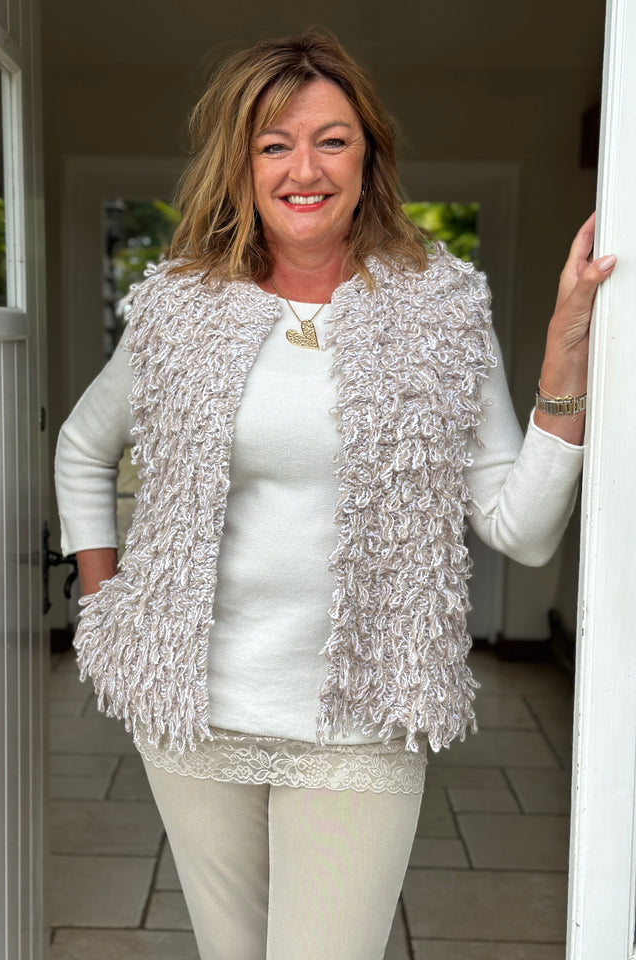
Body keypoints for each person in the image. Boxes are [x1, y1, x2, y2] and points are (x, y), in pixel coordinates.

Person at [55, 27, 616, 960]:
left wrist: (564, 357)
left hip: (362, 720)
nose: (304, 169)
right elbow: (82, 445)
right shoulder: (181, 306)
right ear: (242, 165)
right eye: (274, 144)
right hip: (193, 717)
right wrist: (106, 600)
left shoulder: (440, 310)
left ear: (369, 157)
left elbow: (520, 530)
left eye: (332, 140)